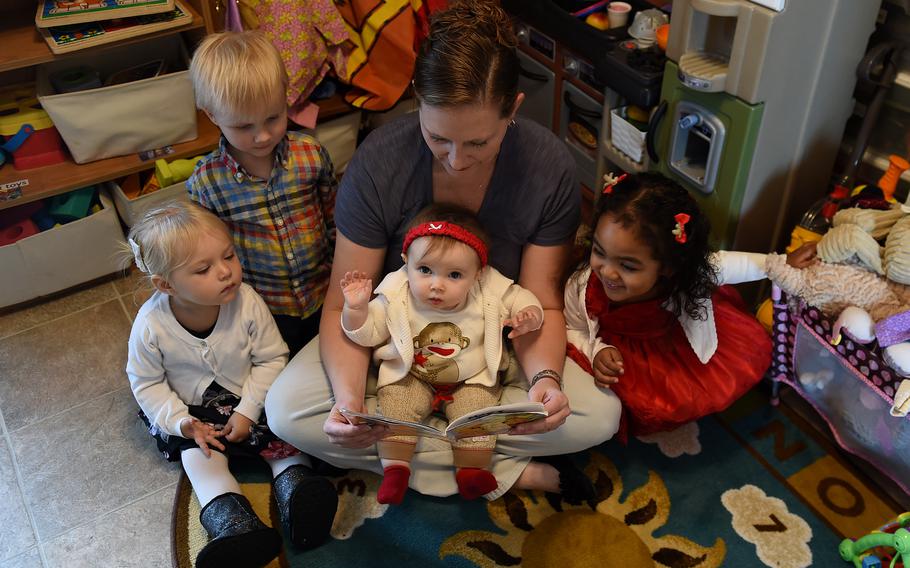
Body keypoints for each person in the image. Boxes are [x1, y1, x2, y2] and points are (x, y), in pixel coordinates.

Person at [265, 0, 622, 504]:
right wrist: (349, 404)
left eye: (478, 142)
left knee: (599, 417)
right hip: (392, 344)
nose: (456, 160)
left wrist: (545, 380)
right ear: (417, 100)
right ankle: (498, 468)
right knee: (287, 411)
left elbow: (541, 303)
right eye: (437, 137)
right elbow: (341, 306)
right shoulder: (379, 163)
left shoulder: (548, 168)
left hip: (494, 349)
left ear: (514, 109)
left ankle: (407, 451)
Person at [124, 202, 338, 568]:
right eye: (204, 269)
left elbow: (272, 358)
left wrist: (247, 409)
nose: (226, 272)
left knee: (282, 432)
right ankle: (232, 523)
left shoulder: (247, 302)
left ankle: (297, 490)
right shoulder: (151, 326)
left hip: (251, 394)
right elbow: (146, 382)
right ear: (166, 285)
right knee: (199, 456)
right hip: (193, 411)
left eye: (229, 256)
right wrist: (181, 422)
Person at [565, 172, 818, 441]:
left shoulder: (687, 275)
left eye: (627, 266)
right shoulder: (583, 288)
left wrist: (780, 263)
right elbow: (570, 328)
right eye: (599, 251)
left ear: (669, 266)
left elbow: (728, 265)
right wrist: (596, 351)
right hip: (617, 353)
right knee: (625, 400)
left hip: (669, 342)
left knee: (689, 392)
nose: (608, 273)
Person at [341, 204, 544, 504]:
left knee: (477, 413)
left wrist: (529, 315)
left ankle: (470, 471)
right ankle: (396, 469)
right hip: (411, 375)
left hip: (471, 378)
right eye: (424, 270)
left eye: (454, 275)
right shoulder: (395, 295)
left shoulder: (488, 291)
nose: (436, 285)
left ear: (478, 274)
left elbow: (521, 298)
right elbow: (368, 333)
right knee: (396, 404)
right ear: (405, 262)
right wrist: (356, 309)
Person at [186, 30, 337, 357]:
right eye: (243, 126)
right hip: (264, 308)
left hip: (325, 293)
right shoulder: (206, 183)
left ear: (286, 97)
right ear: (213, 115)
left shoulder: (311, 155)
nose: (262, 136)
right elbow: (209, 254)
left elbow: (334, 219)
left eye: (273, 117)